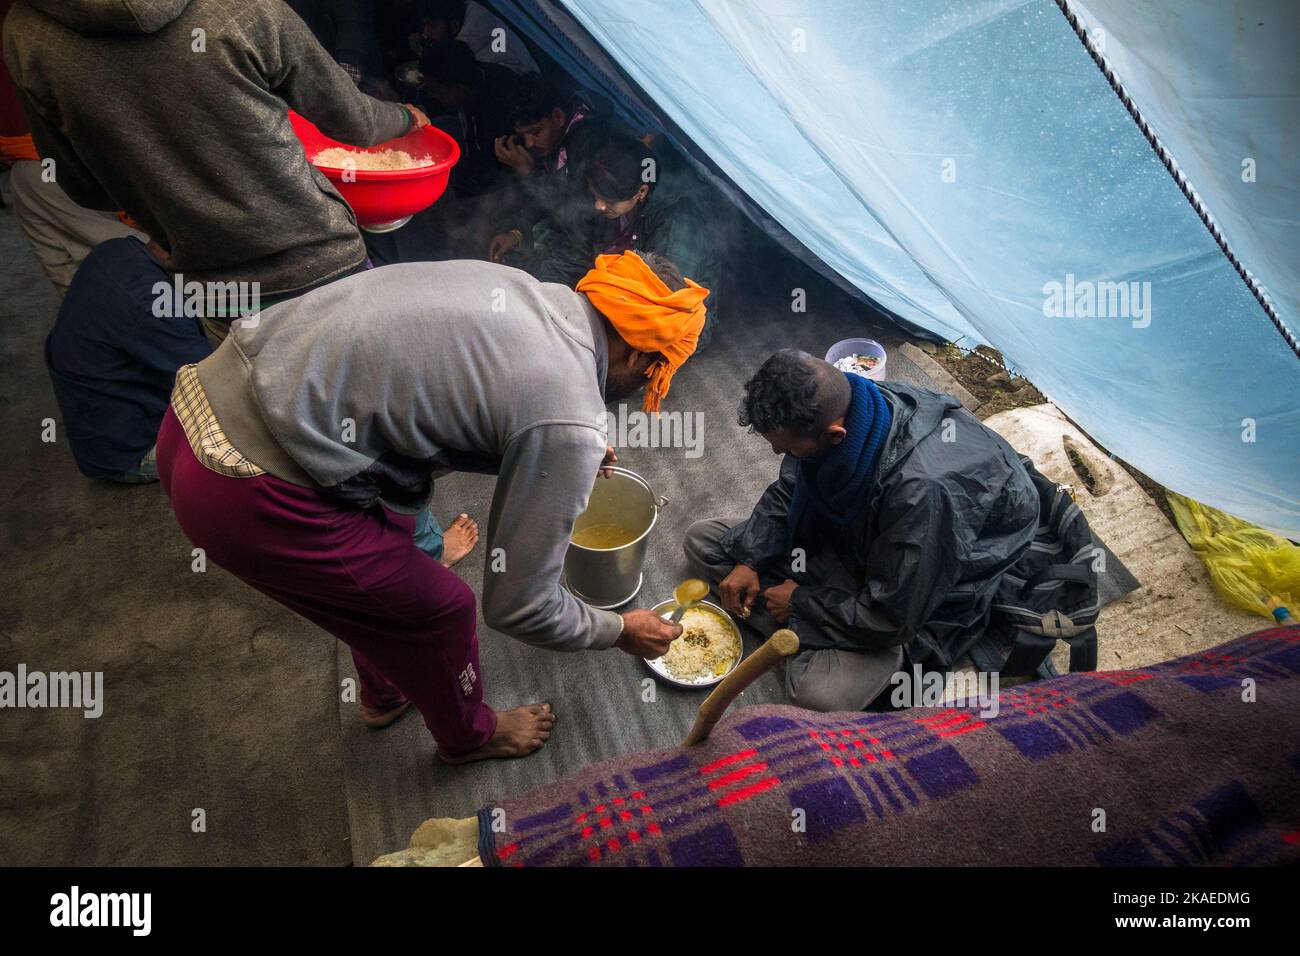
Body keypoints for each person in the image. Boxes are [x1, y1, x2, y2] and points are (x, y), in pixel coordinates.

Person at [156, 250, 708, 762]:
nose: (645, 386)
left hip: (197, 407)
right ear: (638, 353)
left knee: (384, 585)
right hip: (245, 487)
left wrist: (550, 446)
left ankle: (385, 693)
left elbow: (464, 403)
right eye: (654, 374)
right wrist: (619, 629)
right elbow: (519, 607)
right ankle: (470, 736)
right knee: (441, 609)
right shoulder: (568, 421)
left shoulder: (524, 289)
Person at [3, 0, 431, 342]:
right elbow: (354, 122)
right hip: (322, 262)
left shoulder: (26, 35)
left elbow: (83, 187)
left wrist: (160, 175)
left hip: (212, 289)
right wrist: (406, 117)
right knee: (363, 420)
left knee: (259, 433)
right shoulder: (243, 8)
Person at [684, 350, 1040, 712]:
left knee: (817, 697)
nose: (777, 452)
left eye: (787, 447)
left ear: (835, 435)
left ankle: (813, 633)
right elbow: (792, 488)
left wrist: (800, 604)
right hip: (857, 543)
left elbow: (893, 616)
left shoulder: (922, 493)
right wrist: (751, 558)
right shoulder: (852, 403)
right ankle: (810, 632)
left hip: (913, 588)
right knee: (703, 540)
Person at [45, 238, 212, 482]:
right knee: (266, 454)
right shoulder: (154, 306)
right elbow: (216, 391)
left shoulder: (116, 251)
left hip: (102, 429)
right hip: (131, 452)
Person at [535, 133, 723, 345]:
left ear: (641, 191)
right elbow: (572, 256)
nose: (598, 206)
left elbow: (667, 313)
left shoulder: (675, 226)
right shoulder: (612, 204)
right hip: (624, 291)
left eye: (607, 200)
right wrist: (541, 298)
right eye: (595, 196)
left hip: (673, 324)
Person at [487, 75, 604, 264]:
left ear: (558, 116)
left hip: (589, 248)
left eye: (535, 132)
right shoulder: (555, 140)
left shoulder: (587, 144)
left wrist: (527, 173)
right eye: (523, 135)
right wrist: (516, 234)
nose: (529, 142)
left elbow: (572, 218)